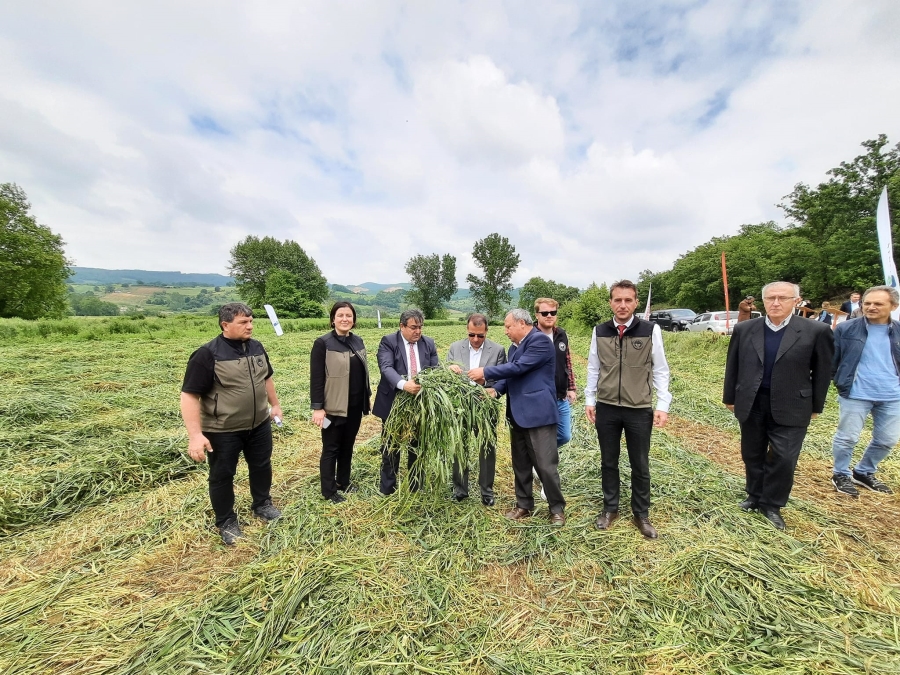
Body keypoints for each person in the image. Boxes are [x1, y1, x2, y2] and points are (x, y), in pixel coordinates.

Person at [723, 282, 834, 530]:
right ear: (763, 301)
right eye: (770, 298)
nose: (775, 303)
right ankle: (754, 496)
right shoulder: (745, 329)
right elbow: (733, 365)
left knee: (784, 457)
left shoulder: (816, 330)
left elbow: (823, 371)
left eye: (782, 298)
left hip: (793, 404)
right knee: (752, 453)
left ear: (796, 301)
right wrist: (730, 397)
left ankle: (772, 504)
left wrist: (816, 405)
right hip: (752, 401)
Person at [180, 303, 283, 546]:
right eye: (243, 322)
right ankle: (226, 521)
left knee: (261, 465)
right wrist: (195, 435)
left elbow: (266, 378)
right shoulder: (207, 355)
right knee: (222, 475)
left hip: (259, 424)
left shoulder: (257, 347)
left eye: (251, 321)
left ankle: (262, 504)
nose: (250, 326)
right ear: (225, 325)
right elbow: (189, 395)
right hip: (223, 429)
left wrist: (275, 405)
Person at [584, 280, 671, 539]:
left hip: (639, 408)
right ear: (611, 302)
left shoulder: (650, 330)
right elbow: (593, 367)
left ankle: (641, 513)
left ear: (635, 302)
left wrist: (662, 404)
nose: (622, 305)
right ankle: (610, 508)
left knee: (640, 463)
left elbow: (660, 369)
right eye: (618, 300)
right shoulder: (600, 331)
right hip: (607, 407)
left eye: (628, 300)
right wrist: (590, 399)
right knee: (608, 461)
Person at [468, 309, 565, 526]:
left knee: (545, 465)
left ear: (522, 323)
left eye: (508, 326)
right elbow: (511, 375)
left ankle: (557, 508)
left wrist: (486, 372)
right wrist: (495, 390)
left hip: (538, 414)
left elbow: (519, 367)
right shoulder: (514, 347)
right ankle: (524, 504)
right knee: (520, 464)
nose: (506, 331)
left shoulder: (539, 341)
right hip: (517, 414)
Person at [830, 285, 900, 497]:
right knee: (847, 438)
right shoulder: (846, 329)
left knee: (887, 440)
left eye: (878, 303)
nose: (871, 307)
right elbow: (833, 359)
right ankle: (840, 473)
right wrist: (837, 381)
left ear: (893, 306)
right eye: (867, 303)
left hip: (892, 395)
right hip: (855, 393)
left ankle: (864, 471)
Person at [310, 302, 372, 504]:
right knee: (331, 447)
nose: (345, 319)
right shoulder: (323, 343)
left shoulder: (358, 341)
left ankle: (343, 482)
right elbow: (316, 378)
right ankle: (329, 491)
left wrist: (367, 397)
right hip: (332, 408)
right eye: (340, 315)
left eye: (349, 315)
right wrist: (318, 408)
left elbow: (363, 373)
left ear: (353, 320)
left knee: (348, 445)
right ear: (333, 319)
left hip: (354, 406)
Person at [372, 308, 439, 494]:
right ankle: (388, 488)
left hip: (420, 403)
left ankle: (416, 487)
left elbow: (435, 369)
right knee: (391, 446)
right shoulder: (389, 341)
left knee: (417, 445)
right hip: (394, 401)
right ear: (402, 326)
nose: (418, 331)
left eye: (420, 327)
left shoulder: (428, 343)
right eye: (413, 327)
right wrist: (403, 384)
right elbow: (386, 367)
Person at [447, 313, 507, 505]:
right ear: (467, 330)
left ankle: (486, 491)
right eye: (471, 335)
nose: (475, 339)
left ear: (486, 331)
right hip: (461, 407)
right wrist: (450, 370)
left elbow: (503, 379)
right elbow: (445, 377)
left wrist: (486, 382)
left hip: (485, 407)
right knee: (460, 446)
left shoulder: (497, 350)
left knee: (487, 447)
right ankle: (460, 489)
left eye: (480, 336)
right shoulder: (455, 348)